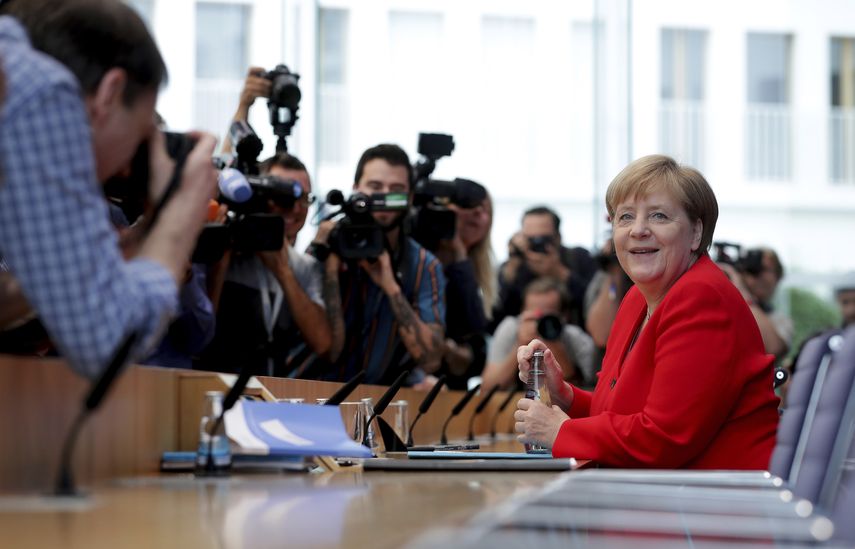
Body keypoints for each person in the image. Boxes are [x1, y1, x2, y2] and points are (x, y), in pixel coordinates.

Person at [514, 155, 780, 469]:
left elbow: (666, 439)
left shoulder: (701, 296)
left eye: (658, 216)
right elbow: (619, 415)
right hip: (664, 494)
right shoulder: (636, 300)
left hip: (710, 505)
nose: (638, 230)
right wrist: (565, 397)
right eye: (625, 217)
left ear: (696, 232)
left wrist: (561, 431)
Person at [0, 0, 217, 378]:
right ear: (110, 93)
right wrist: (177, 217)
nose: (127, 166)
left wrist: (129, 244)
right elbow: (106, 344)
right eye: (140, 134)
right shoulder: (44, 92)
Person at [309, 144, 446, 385]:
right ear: (356, 190)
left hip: (374, 402)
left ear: (410, 197)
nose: (384, 196)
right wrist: (328, 268)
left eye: (396, 190)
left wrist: (391, 286)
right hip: (309, 391)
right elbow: (325, 349)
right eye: (375, 187)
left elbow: (431, 360)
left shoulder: (424, 265)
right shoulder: (327, 244)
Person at [199, 151, 330, 376]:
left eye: (305, 198)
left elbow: (323, 344)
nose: (296, 208)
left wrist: (282, 270)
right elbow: (198, 335)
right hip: (214, 387)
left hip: (272, 396)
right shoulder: (221, 251)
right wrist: (223, 253)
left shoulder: (305, 266)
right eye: (284, 196)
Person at [431, 186, 496, 390]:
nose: (478, 213)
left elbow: (476, 332)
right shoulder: (424, 259)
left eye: (485, 210)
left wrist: (459, 252)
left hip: (452, 389)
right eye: (469, 206)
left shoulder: (480, 269)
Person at [492, 206, 596, 331]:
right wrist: (511, 269)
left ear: (558, 237)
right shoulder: (515, 266)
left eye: (543, 239)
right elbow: (495, 321)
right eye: (531, 239)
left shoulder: (578, 258)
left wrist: (560, 272)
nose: (537, 244)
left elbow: (594, 304)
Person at [483, 277, 594, 390]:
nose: (541, 323)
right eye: (534, 316)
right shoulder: (511, 329)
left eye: (547, 318)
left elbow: (588, 392)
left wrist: (556, 350)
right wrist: (519, 344)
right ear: (522, 313)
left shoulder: (572, 336)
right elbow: (487, 388)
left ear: (564, 316)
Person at [718, 247, 793, 361]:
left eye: (766, 269)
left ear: (777, 278)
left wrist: (741, 290)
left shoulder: (779, 319)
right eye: (756, 269)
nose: (759, 276)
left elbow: (773, 349)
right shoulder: (723, 306)